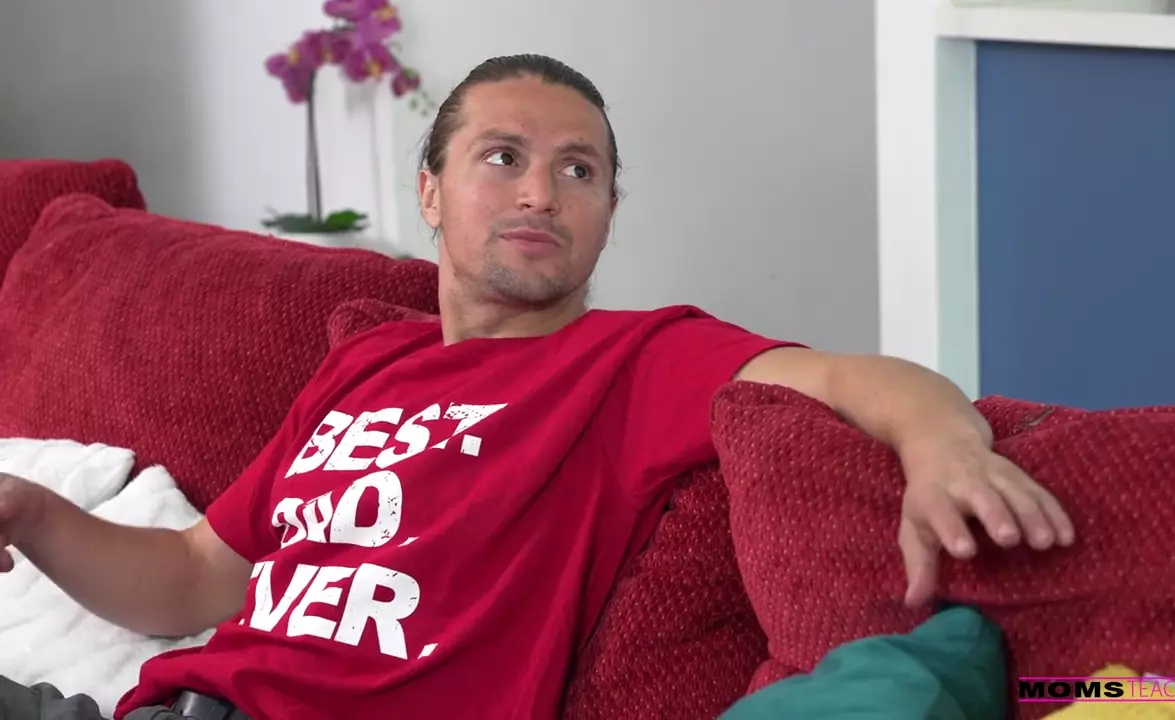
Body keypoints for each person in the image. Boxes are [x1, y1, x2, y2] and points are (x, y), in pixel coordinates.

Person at [0, 54, 1074, 720]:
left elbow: (857, 377)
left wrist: (946, 448)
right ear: (429, 191)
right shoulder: (365, 365)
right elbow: (196, 576)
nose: (541, 193)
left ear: (607, 216)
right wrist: (31, 511)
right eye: (502, 157)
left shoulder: (637, 360)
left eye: (578, 170)